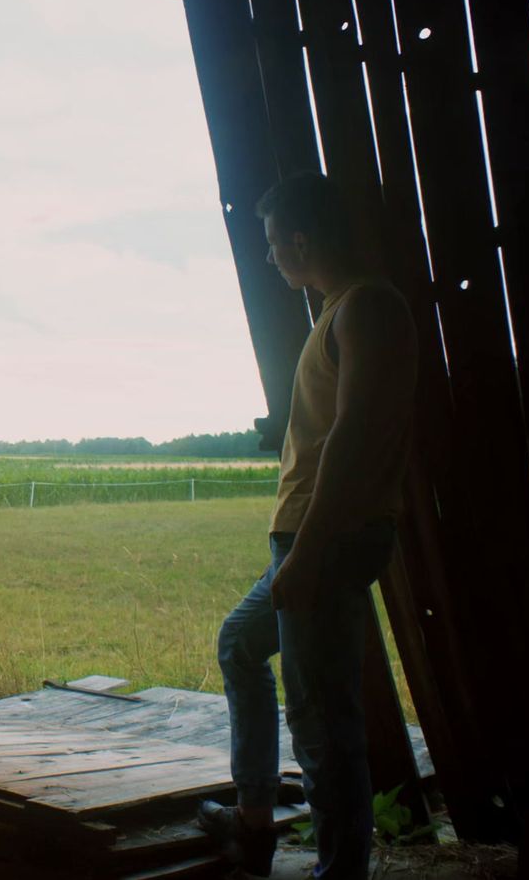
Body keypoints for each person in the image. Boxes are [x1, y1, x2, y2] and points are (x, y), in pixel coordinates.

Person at [199, 172, 417, 879]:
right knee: (240, 643)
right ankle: (254, 823)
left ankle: (338, 871)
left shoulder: (366, 309)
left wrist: (310, 552)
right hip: (304, 540)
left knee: (323, 725)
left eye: (272, 244)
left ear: (300, 239)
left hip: (322, 540)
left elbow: (352, 440)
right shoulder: (340, 310)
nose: (269, 258)